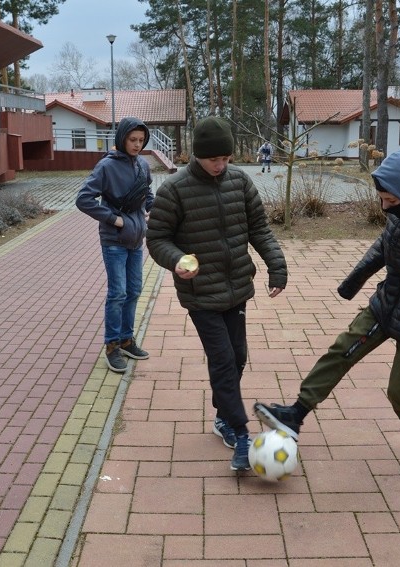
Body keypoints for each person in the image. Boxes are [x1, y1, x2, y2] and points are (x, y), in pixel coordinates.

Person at [254, 149, 400, 474]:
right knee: (342, 350)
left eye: (390, 201)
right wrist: (353, 281)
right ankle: (295, 415)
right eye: (382, 199)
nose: (384, 207)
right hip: (389, 302)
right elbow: (386, 244)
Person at [147, 116, 288, 471]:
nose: (221, 165)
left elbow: (259, 228)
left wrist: (277, 267)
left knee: (238, 355)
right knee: (223, 358)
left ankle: (223, 415)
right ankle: (241, 434)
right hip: (200, 292)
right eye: (215, 160)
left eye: (226, 159)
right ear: (198, 155)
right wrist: (177, 259)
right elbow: (157, 239)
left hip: (237, 287)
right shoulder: (174, 189)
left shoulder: (239, 181)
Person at [76, 117, 154, 373]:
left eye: (141, 141)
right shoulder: (106, 167)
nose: (137, 145)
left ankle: (126, 339)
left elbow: (148, 194)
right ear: (122, 138)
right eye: (133, 140)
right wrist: (113, 219)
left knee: (134, 291)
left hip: (136, 238)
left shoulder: (143, 164)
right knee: (117, 293)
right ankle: (111, 346)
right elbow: (84, 199)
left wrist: (151, 210)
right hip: (114, 241)